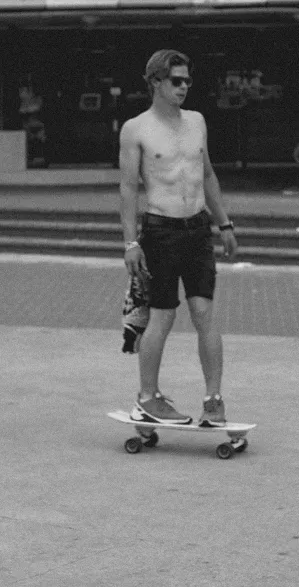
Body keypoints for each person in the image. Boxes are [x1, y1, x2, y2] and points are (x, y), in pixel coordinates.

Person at [119, 49, 239, 427]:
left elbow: (207, 175)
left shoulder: (197, 122)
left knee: (204, 313)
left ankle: (213, 400)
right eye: (177, 80)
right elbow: (127, 190)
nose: (185, 87)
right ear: (156, 82)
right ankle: (148, 397)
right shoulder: (136, 129)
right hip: (160, 230)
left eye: (188, 80)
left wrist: (225, 224)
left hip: (198, 228)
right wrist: (130, 243)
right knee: (163, 316)